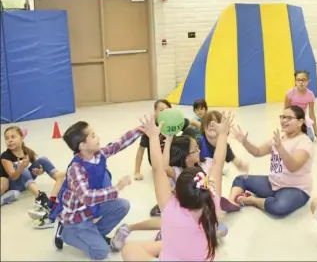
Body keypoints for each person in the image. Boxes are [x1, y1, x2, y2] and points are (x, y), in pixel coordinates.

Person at [121, 111, 234, 261]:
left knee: (130, 249)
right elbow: (218, 165)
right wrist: (222, 135)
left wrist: (154, 137)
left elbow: (157, 168)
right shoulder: (212, 204)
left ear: (176, 192)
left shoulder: (170, 208)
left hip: (171, 255)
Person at [52, 121, 143, 260]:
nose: (98, 137)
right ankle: (66, 233)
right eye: (93, 136)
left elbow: (117, 145)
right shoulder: (76, 169)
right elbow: (86, 197)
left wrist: (139, 130)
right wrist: (117, 187)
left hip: (91, 208)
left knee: (122, 205)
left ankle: (94, 235)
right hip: (77, 217)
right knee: (101, 253)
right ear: (83, 146)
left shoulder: (98, 154)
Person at [226, 105, 313, 217]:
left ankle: (252, 200)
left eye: (289, 118)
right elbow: (257, 152)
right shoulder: (279, 137)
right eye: (283, 117)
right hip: (273, 183)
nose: (284, 121)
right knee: (241, 179)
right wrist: (244, 141)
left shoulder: (304, 142)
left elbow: (293, 166)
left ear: (300, 122)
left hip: (295, 188)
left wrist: (280, 148)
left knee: (279, 208)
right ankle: (231, 202)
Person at [0, 126, 65, 219]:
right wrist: (22, 166)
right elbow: (13, 176)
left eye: (13, 137)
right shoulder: (5, 156)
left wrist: (40, 171)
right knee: (23, 168)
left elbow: (37, 167)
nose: (9, 140)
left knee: (43, 159)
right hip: (13, 183)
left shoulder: (27, 151)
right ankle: (39, 197)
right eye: (6, 138)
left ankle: (60, 178)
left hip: (25, 181)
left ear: (22, 138)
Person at [134, 99, 201, 181]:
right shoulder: (151, 128)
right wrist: (137, 172)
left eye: (167, 110)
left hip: (172, 155)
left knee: (189, 131)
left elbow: (193, 122)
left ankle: (194, 161)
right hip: (157, 160)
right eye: (161, 110)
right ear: (155, 113)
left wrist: (205, 131)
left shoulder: (173, 121)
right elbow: (141, 150)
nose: (165, 113)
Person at [284, 71, 317, 142]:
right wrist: (286, 126)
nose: (301, 82)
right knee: (291, 138)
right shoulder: (289, 93)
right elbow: (285, 112)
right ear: (295, 81)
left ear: (308, 81)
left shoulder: (310, 95)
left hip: (302, 120)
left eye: (303, 80)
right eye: (298, 80)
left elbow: (312, 115)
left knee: (310, 138)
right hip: (291, 120)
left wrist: (316, 133)